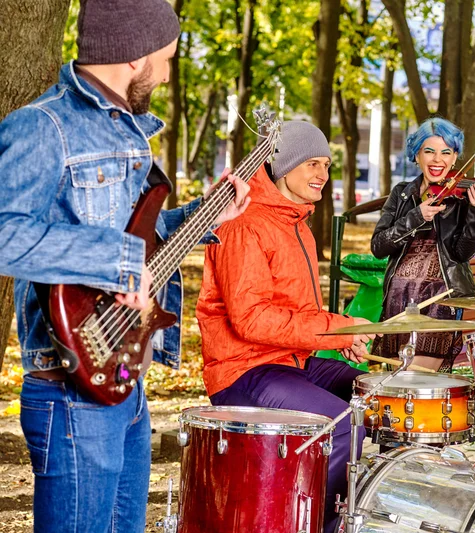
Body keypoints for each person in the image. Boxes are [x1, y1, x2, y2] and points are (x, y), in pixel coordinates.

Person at [0, 1, 250, 531]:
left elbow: (142, 240)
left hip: (124, 377)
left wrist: (207, 215)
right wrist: (116, 263)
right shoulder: (45, 127)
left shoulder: (126, 131)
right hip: (71, 392)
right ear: (135, 57)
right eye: (166, 58)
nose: (166, 72)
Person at [196, 120, 375, 533]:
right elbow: (252, 319)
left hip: (291, 360)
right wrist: (338, 329)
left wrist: (340, 338)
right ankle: (315, 525)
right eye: (312, 164)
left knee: (376, 397)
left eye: (327, 166)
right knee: (342, 423)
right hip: (244, 369)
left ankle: (360, 510)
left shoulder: (297, 224)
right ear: (283, 166)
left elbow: (296, 315)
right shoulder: (244, 224)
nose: (322, 176)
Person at [371, 117, 475, 372]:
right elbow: (379, 246)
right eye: (430, 151)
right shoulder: (402, 194)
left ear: (455, 157)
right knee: (398, 383)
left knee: (416, 382)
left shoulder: (463, 199)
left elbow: (462, 253)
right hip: (399, 301)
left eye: (446, 152)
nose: (438, 160)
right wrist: (415, 217)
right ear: (417, 155)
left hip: (440, 303)